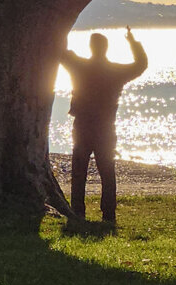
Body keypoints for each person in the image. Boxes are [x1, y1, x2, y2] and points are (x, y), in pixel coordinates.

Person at [60, 27, 148, 223]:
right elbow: (141, 65)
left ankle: (78, 212)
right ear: (106, 48)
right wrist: (133, 43)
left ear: (91, 47)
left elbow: (61, 54)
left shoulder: (79, 66)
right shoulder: (116, 71)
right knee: (107, 172)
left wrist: (62, 33)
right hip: (105, 128)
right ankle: (108, 215)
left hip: (82, 126)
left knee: (79, 171)